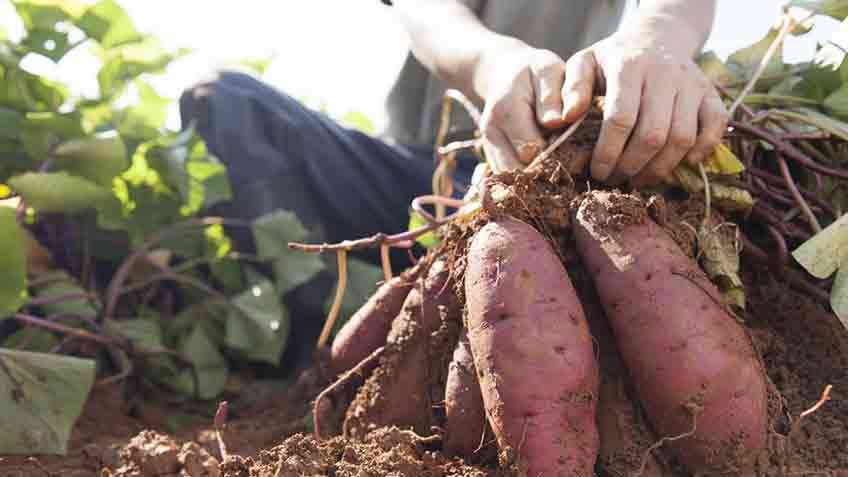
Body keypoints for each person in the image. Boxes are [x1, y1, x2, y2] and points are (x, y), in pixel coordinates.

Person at [178, 0, 727, 369]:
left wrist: (656, 42)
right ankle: (320, 352)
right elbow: (429, 12)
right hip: (422, 175)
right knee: (224, 101)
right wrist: (495, 63)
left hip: (561, 172)